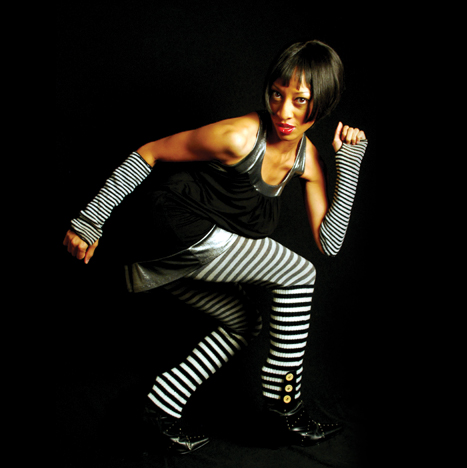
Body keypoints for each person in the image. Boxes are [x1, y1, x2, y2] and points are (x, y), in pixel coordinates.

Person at [62, 40, 368, 455]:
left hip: (186, 258)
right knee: (300, 274)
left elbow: (329, 243)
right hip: (170, 231)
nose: (283, 112)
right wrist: (90, 220)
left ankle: (159, 407)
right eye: (276, 94)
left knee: (245, 323)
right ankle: (285, 402)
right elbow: (149, 152)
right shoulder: (238, 136)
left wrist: (349, 162)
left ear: (323, 103)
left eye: (300, 100)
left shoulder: (307, 160)